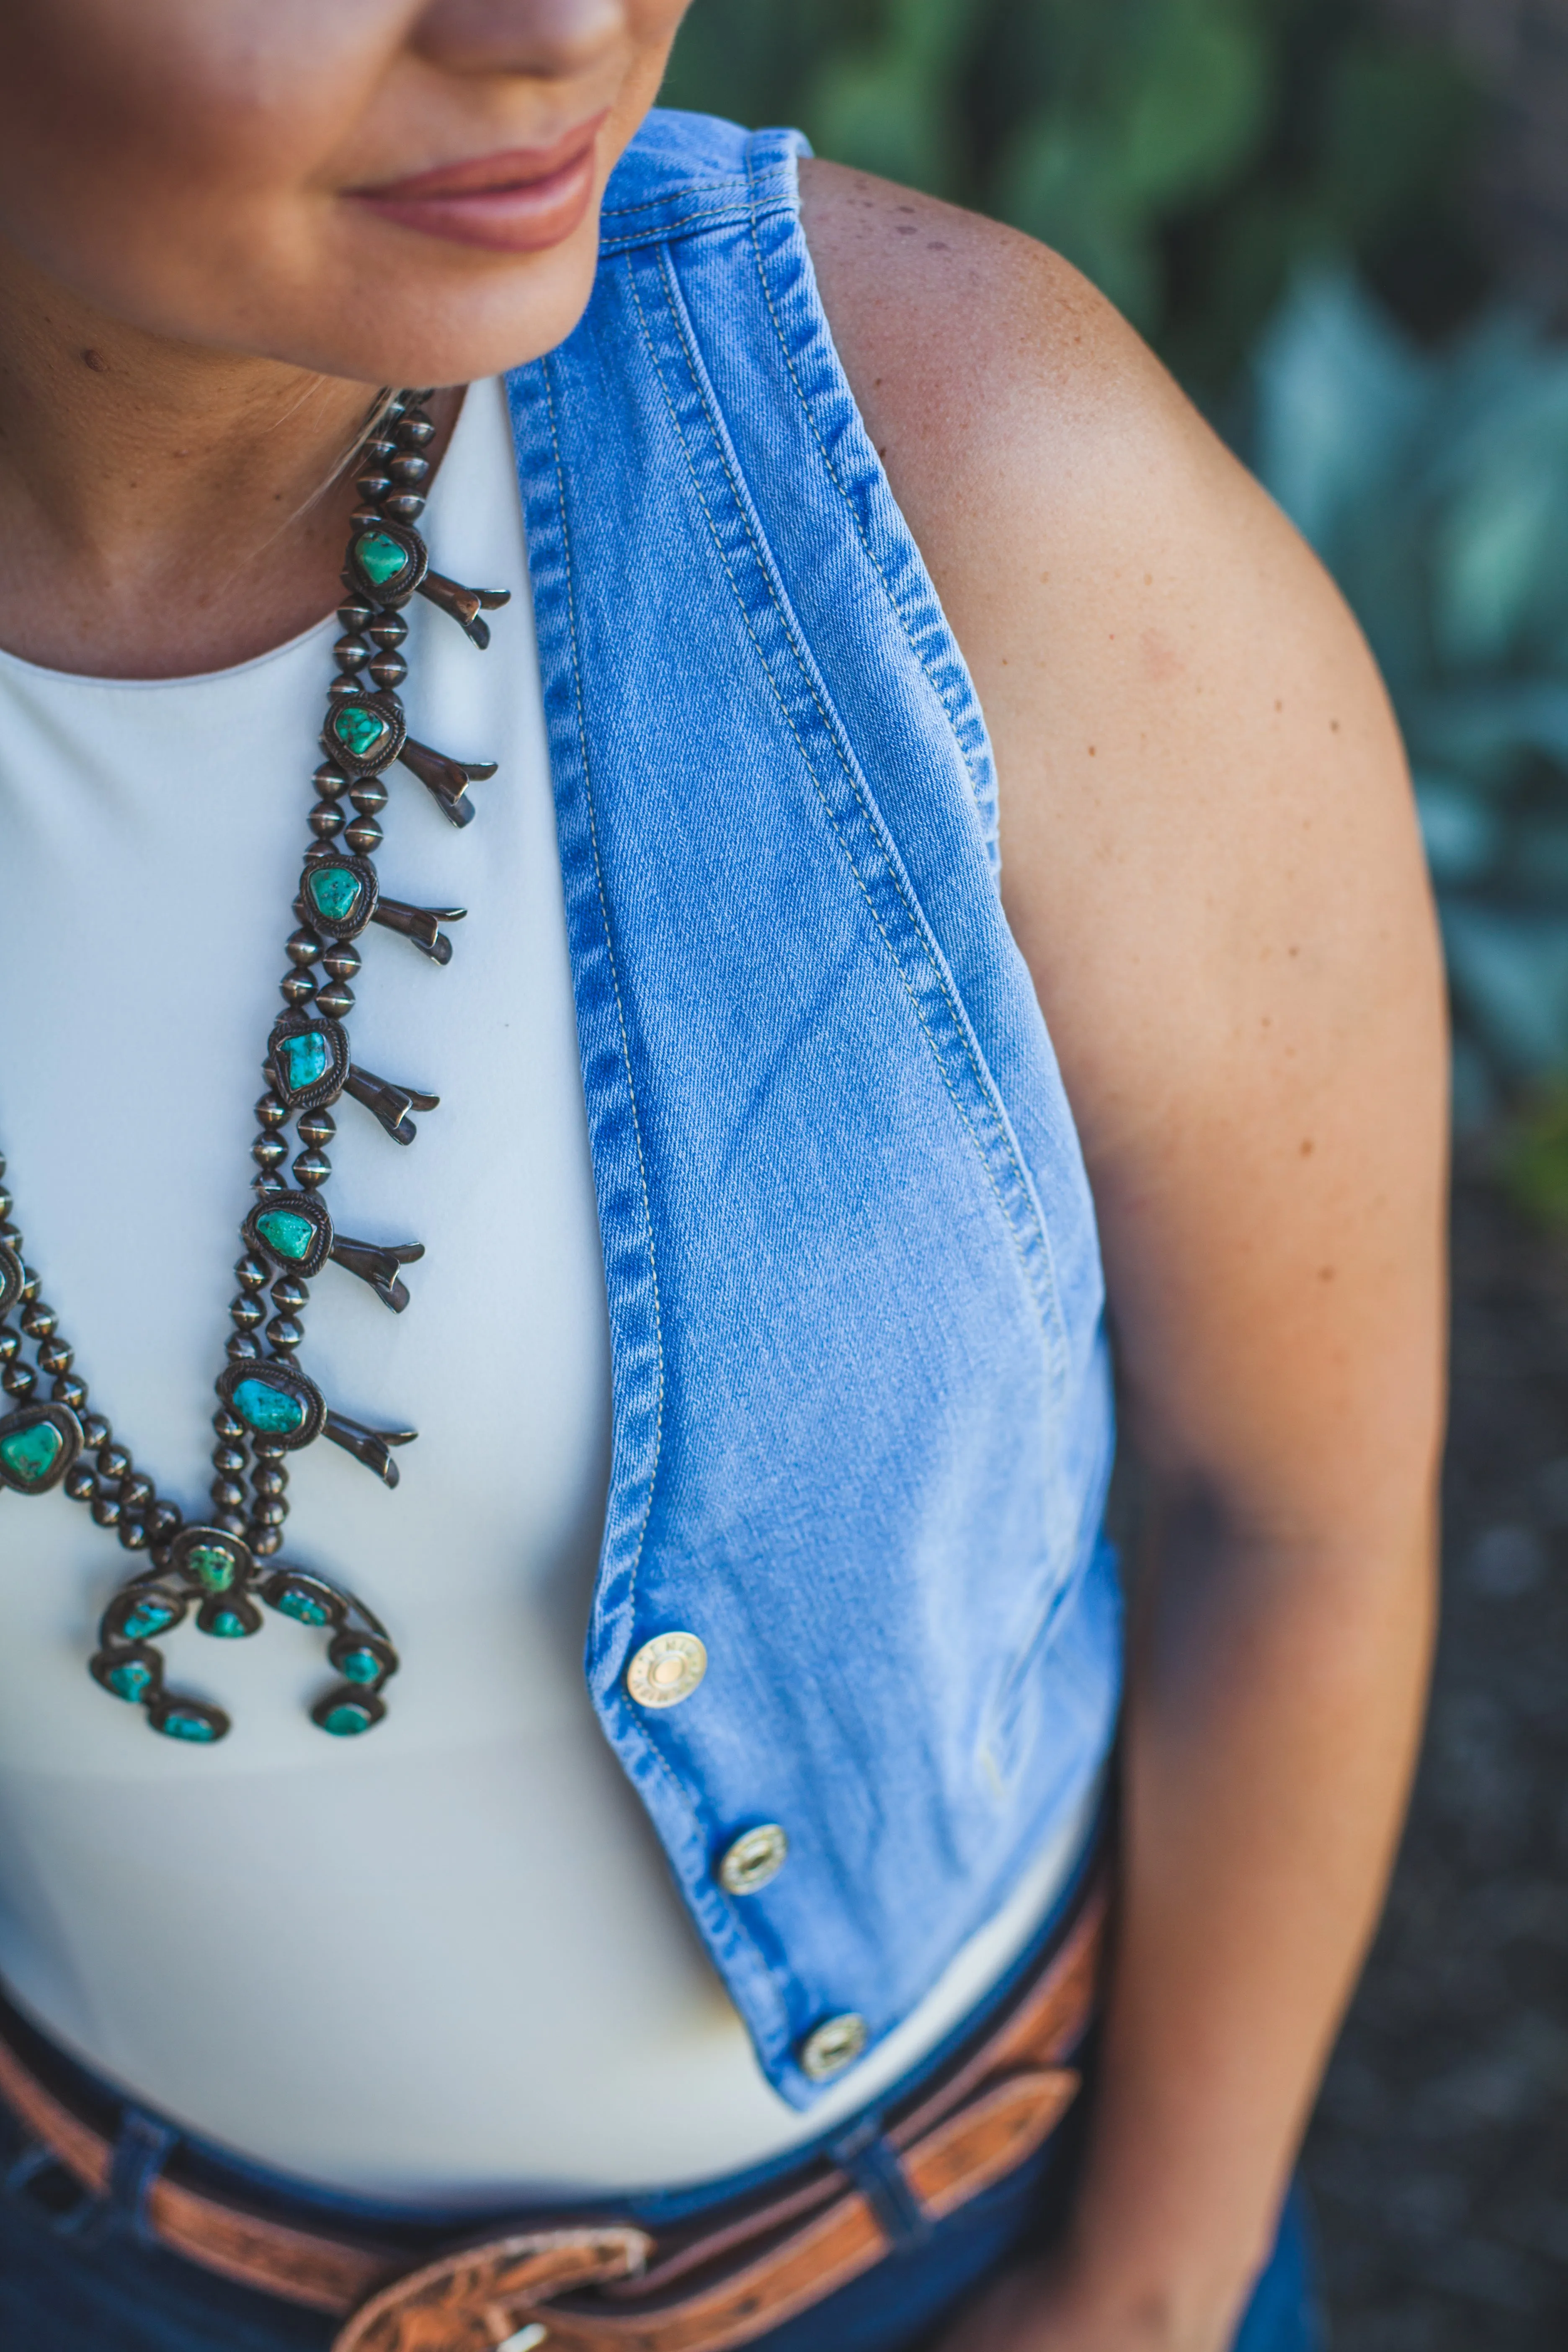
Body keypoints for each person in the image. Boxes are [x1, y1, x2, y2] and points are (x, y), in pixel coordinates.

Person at [0, 5, 1445, 2351]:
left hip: (963, 2265)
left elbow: (1300, 1505)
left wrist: (1157, 2284)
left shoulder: (956, 491)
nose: (561, 23)